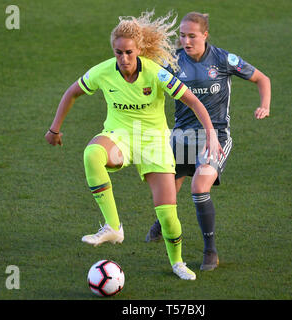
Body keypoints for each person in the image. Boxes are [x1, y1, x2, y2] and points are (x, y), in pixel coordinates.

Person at [44, 11, 223, 281]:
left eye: (129, 52)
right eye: (118, 52)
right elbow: (72, 92)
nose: (124, 59)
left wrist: (210, 133)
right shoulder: (103, 72)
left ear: (138, 50)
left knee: (167, 214)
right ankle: (113, 226)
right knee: (92, 153)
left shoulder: (155, 73)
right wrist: (54, 129)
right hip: (120, 137)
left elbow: (193, 101)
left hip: (153, 142)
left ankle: (177, 262)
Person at [145, 12, 271, 272]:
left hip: (215, 136)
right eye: (181, 36)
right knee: (169, 187)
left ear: (205, 35)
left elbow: (262, 79)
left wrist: (264, 105)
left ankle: (210, 251)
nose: (186, 41)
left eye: (192, 36)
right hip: (181, 136)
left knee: (199, 187)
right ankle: (162, 223)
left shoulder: (223, 59)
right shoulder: (172, 62)